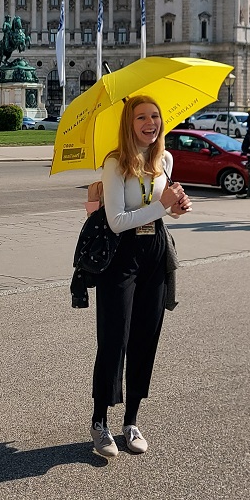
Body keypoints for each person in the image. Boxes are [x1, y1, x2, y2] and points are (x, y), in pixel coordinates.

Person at [90, 95, 191, 459]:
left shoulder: (165, 159)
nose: (151, 123)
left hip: (155, 252)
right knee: (114, 339)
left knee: (146, 338)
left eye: (155, 116)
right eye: (141, 118)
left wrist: (176, 208)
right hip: (121, 256)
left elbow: (163, 211)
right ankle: (99, 421)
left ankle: (131, 421)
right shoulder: (115, 163)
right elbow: (117, 221)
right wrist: (161, 206)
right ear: (128, 124)